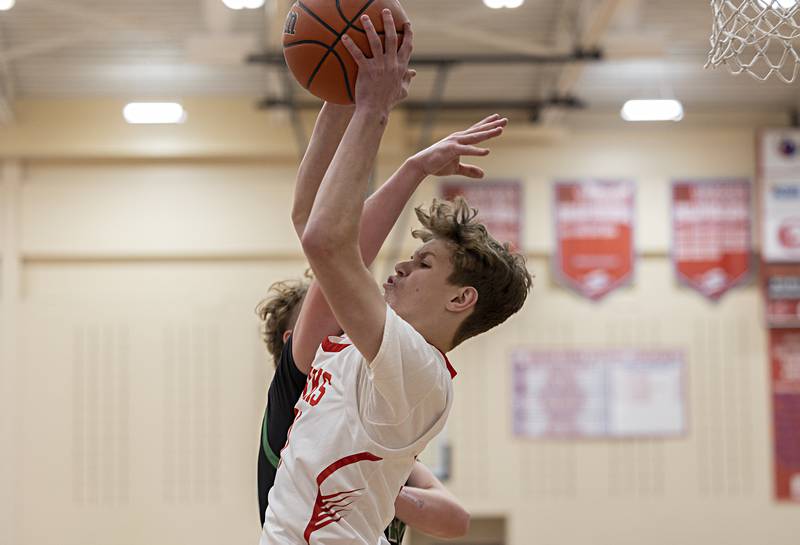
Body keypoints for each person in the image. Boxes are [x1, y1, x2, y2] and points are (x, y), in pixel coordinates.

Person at [263, 11, 532, 545]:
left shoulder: (416, 370)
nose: (402, 264)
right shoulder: (349, 348)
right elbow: (315, 222)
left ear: (462, 298)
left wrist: (373, 109)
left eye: (425, 263)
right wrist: (351, 94)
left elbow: (327, 240)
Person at [256, 275, 470, 544]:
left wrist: (386, 489)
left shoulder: (362, 426)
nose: (353, 329)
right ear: (294, 339)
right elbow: (328, 252)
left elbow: (456, 520)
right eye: (340, 323)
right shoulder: (290, 401)